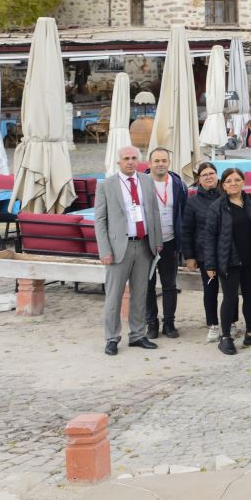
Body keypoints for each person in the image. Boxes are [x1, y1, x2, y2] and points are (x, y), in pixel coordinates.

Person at [93, 146, 162, 355]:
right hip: (117, 249)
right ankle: (112, 338)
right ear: (119, 162)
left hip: (144, 245)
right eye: (126, 158)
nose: (130, 162)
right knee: (113, 296)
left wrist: (157, 240)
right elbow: (100, 220)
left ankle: (138, 335)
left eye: (133, 158)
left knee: (140, 294)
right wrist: (104, 250)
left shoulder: (147, 181)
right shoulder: (106, 185)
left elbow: (154, 212)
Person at [202, 168, 251, 354]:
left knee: (250, 297)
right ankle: (225, 338)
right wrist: (210, 264)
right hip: (229, 261)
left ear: (243, 182)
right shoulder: (217, 207)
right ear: (223, 185)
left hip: (250, 258)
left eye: (237, 180)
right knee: (230, 298)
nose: (233, 183)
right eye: (228, 181)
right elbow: (209, 237)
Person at [141, 147, 189, 340]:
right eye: (157, 161)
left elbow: (184, 213)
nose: (160, 164)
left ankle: (169, 323)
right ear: (150, 163)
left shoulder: (178, 185)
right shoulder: (141, 183)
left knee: (169, 285)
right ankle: (151, 323)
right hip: (146, 243)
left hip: (170, 242)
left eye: (164, 161)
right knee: (148, 285)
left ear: (169, 163)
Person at [181, 162, 224, 342]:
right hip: (205, 253)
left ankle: (231, 322)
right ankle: (213, 324)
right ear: (199, 178)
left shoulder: (227, 195)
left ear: (217, 175)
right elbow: (187, 230)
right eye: (204, 174)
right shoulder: (193, 202)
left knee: (230, 291)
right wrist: (189, 256)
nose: (209, 177)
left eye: (211, 173)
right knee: (210, 291)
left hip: (228, 251)